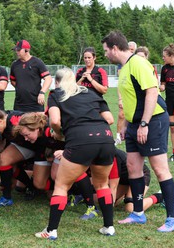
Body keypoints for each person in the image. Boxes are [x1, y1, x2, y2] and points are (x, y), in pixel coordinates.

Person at [102, 31, 174, 232]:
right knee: (133, 166)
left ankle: (172, 218)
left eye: (106, 50)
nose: (105, 55)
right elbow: (131, 99)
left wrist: (144, 124)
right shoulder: (124, 68)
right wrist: (128, 123)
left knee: (159, 168)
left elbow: (152, 92)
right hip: (134, 122)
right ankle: (137, 213)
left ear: (115, 48)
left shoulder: (139, 63)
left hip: (152, 120)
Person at [35, 68, 116, 240]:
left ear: (57, 82)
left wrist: (59, 133)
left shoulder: (56, 94)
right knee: (102, 185)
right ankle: (109, 227)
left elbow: (55, 120)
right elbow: (110, 119)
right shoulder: (92, 93)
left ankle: (51, 230)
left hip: (81, 140)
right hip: (106, 138)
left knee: (61, 186)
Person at [10, 40, 52, 112]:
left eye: (19, 50)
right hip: (19, 104)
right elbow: (12, 80)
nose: (17, 52)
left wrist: (42, 93)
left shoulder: (37, 62)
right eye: (16, 50)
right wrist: (22, 88)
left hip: (35, 103)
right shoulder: (14, 65)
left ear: (27, 50)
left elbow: (48, 79)